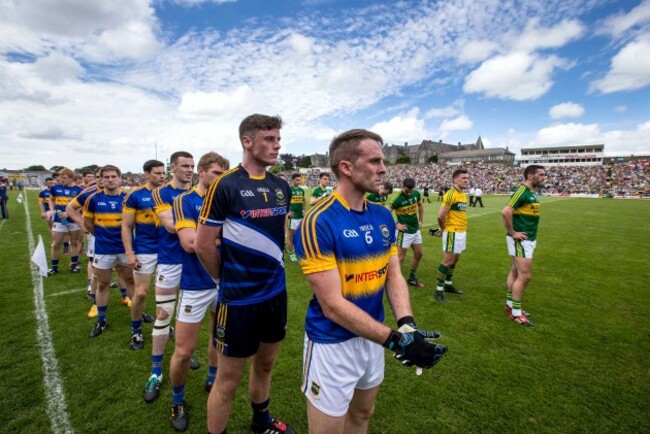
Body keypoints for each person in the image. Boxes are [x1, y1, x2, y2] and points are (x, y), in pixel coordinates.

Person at [295, 129, 447, 434]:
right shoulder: (318, 221)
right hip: (332, 343)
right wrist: (395, 341)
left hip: (372, 337)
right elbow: (333, 307)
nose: (383, 168)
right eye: (374, 161)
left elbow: (393, 274)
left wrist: (406, 324)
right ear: (346, 167)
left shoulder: (382, 215)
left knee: (363, 414)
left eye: (382, 160)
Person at [195, 114, 294, 434]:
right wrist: (223, 279)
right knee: (227, 380)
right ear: (247, 141)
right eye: (269, 139)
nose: (276, 145)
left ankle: (261, 421)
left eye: (278, 139)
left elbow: (280, 233)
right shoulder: (225, 184)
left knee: (265, 366)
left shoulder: (281, 185)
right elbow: (203, 245)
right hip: (238, 300)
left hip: (275, 295)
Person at [168, 152, 229, 432]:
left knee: (219, 339)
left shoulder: (227, 200)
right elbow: (190, 243)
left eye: (224, 174)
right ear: (202, 173)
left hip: (225, 283)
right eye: (216, 173)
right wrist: (224, 237)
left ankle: (213, 376)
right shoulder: (184, 201)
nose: (221, 179)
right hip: (195, 285)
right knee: (183, 351)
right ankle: (177, 400)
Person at [143, 151, 195, 403]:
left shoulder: (197, 193)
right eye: (184, 165)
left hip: (195, 261)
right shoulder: (161, 193)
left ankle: (182, 355)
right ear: (172, 167)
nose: (189, 170)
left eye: (192, 166)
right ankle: (155, 371)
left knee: (192, 315)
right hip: (171, 262)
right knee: (163, 315)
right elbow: (171, 225)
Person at [83, 165, 135, 338]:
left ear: (120, 179)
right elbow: (88, 223)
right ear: (101, 179)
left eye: (114, 176)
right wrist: (101, 235)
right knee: (103, 283)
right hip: (103, 249)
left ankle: (138, 315)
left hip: (125, 248)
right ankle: (102, 319)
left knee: (130, 280)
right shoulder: (93, 199)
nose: (110, 180)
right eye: (106, 177)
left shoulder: (128, 198)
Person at [121, 160, 167, 351]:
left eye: (163, 173)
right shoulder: (136, 196)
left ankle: (163, 325)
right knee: (140, 294)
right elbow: (126, 226)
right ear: (147, 174)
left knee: (166, 295)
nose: (162, 176)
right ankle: (136, 330)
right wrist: (130, 254)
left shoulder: (170, 193)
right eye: (157, 173)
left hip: (168, 250)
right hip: (145, 250)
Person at [501, 165, 546, 327]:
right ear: (530, 175)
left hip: (529, 239)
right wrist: (513, 232)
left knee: (515, 271)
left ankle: (510, 304)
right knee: (525, 276)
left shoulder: (531, 193)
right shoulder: (522, 191)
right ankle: (516, 314)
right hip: (521, 240)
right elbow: (506, 211)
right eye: (540, 174)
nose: (543, 177)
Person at [434, 169, 469, 304]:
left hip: (461, 231)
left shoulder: (463, 195)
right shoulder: (450, 194)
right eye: (463, 178)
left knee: (455, 259)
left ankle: (448, 284)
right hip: (452, 232)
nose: (466, 180)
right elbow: (440, 215)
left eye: (467, 178)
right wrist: (444, 229)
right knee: (447, 261)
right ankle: (438, 290)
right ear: (455, 179)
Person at [388, 178, 425, 288]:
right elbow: (385, 213)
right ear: (403, 186)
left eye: (411, 190)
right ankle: (394, 281)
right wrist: (395, 225)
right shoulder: (397, 198)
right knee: (400, 257)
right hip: (404, 232)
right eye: (407, 190)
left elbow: (420, 206)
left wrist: (421, 220)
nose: (409, 192)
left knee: (419, 254)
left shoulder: (416, 194)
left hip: (415, 230)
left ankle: (412, 278)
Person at [48, 168, 83, 274]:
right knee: (56, 244)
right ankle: (54, 268)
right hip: (59, 220)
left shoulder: (79, 190)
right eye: (60, 177)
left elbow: (81, 206)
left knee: (74, 243)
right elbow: (51, 199)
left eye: (64, 178)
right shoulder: (55, 188)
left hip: (74, 220)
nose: (61, 180)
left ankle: (74, 266)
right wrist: (51, 210)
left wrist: (68, 213)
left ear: (71, 178)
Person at [286, 173, 305, 263]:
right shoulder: (289, 190)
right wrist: (287, 213)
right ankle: (291, 253)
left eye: (299, 180)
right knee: (290, 236)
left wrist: (304, 210)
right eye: (297, 180)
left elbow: (303, 201)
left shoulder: (301, 190)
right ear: (292, 180)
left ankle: (298, 251)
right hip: (292, 217)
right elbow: (284, 202)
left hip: (300, 217)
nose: (298, 181)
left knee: (299, 235)